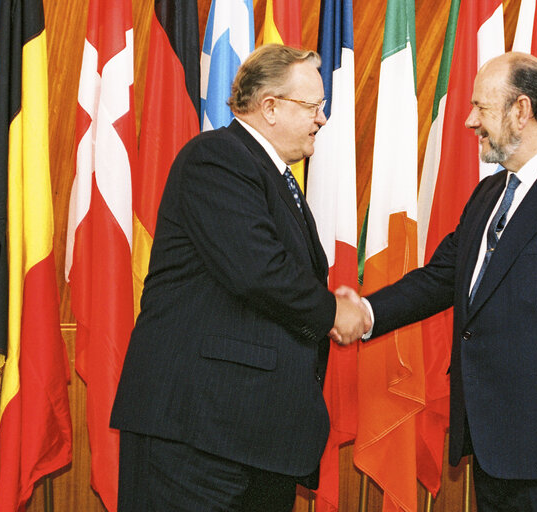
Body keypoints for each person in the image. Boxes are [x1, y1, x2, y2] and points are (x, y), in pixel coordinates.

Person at [341, 52, 537, 511]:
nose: (468, 121)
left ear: (521, 111)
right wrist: (367, 312)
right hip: (490, 442)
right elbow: (443, 277)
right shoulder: (489, 193)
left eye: (481, 107)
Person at [110, 44, 368, 512]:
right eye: (313, 107)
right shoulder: (218, 159)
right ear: (269, 107)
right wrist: (334, 311)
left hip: (250, 437)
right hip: (197, 437)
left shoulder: (274, 177)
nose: (323, 119)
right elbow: (260, 272)